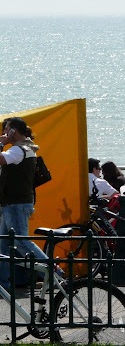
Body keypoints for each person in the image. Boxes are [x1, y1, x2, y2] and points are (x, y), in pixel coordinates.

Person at [0, 117, 59, 289]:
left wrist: (1, 143)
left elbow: (2, 159)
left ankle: (54, 273)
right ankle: (3, 285)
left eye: (6, 128)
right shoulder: (25, 148)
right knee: (3, 245)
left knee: (21, 242)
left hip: (16, 204)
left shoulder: (19, 150)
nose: (4, 132)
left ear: (13, 131)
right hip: (11, 203)